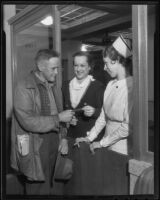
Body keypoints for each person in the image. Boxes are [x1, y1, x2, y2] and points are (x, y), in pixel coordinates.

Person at [10, 49, 74, 195]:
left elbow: (60, 115)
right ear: (40, 67)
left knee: (56, 188)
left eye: (58, 68)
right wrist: (58, 118)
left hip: (55, 143)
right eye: (53, 68)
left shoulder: (55, 88)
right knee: (38, 189)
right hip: (35, 145)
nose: (57, 72)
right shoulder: (23, 86)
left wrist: (63, 137)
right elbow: (28, 121)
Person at [75, 35, 133, 195]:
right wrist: (90, 137)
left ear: (118, 62)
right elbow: (103, 117)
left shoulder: (132, 86)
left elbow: (127, 127)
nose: (105, 68)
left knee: (119, 187)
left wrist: (103, 142)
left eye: (107, 63)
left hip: (122, 150)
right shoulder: (110, 84)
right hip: (107, 145)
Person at [62, 51, 105, 195]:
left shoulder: (98, 86)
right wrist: (67, 121)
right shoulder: (65, 85)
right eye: (76, 65)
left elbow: (106, 114)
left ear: (89, 67)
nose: (79, 69)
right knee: (70, 177)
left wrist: (94, 112)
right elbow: (62, 112)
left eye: (82, 65)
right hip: (70, 139)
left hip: (89, 141)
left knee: (88, 180)